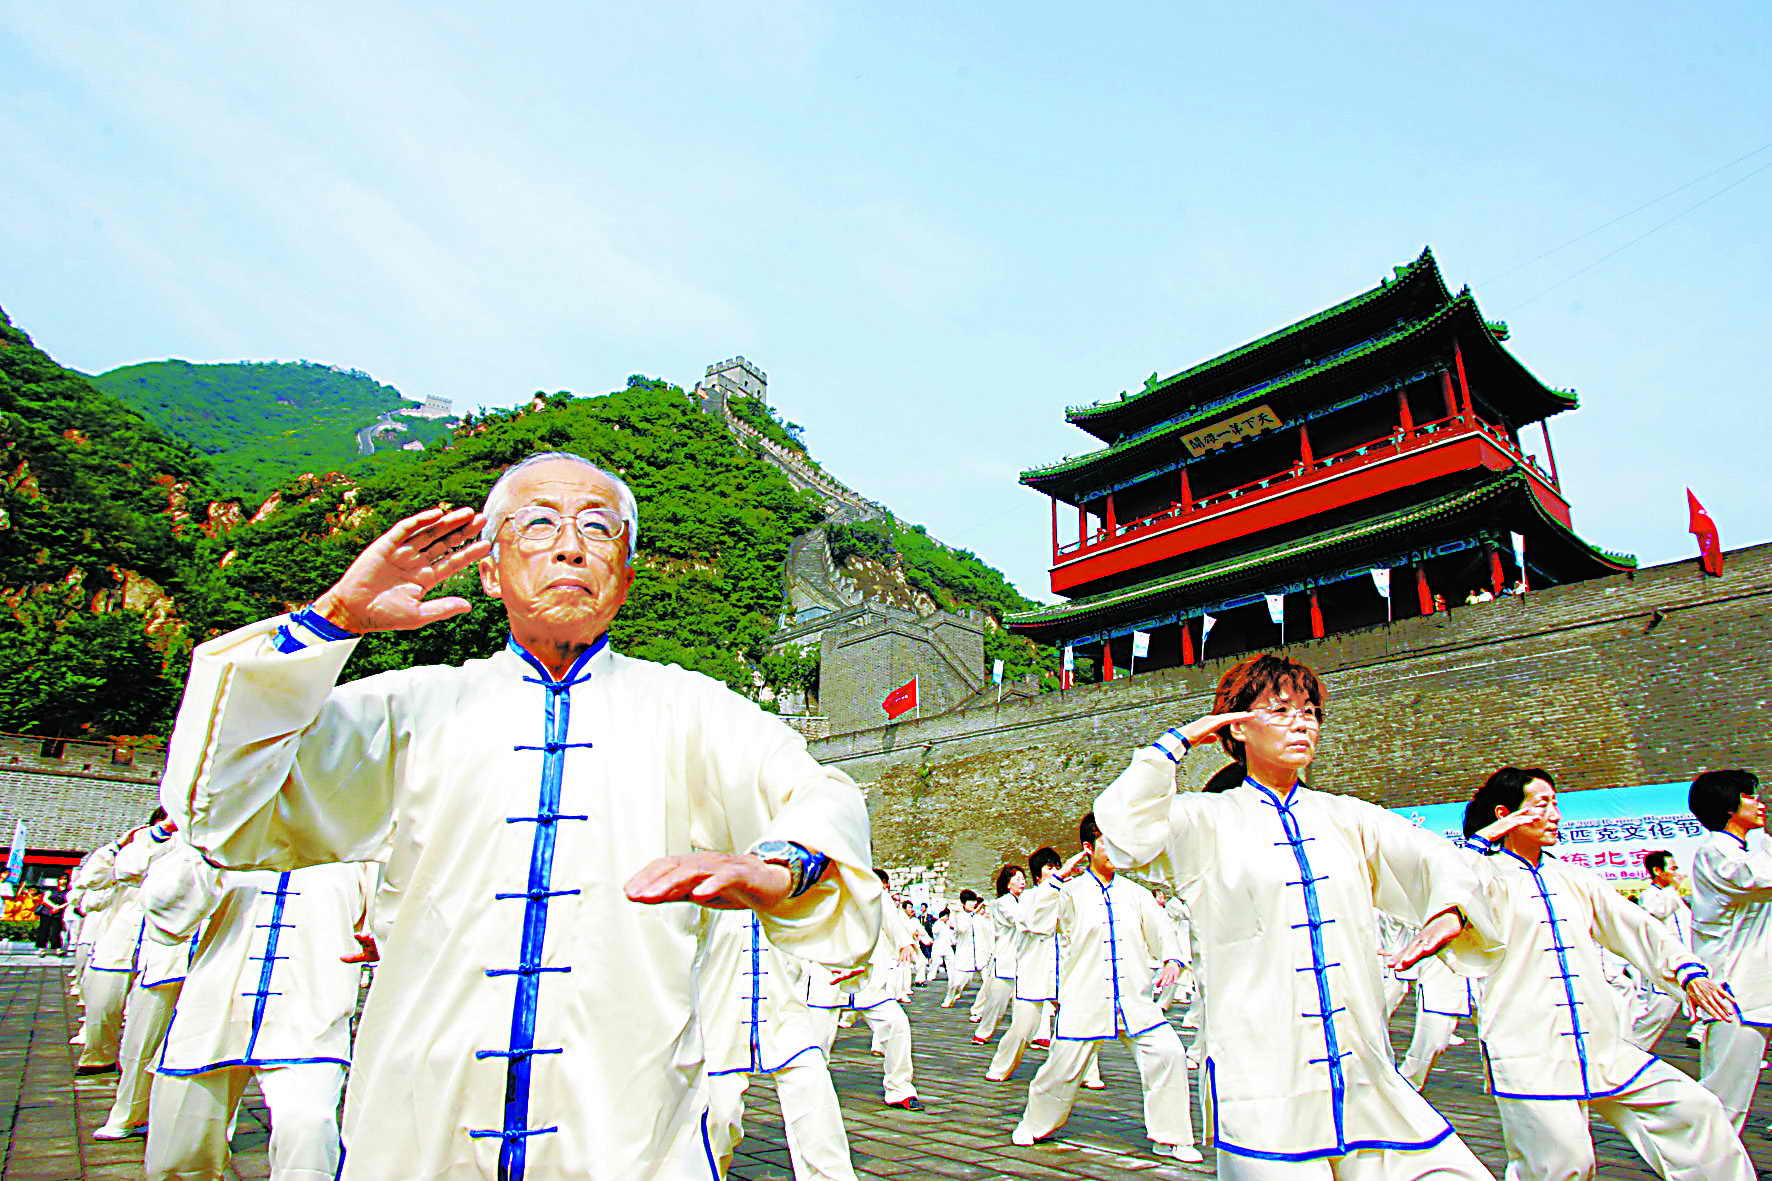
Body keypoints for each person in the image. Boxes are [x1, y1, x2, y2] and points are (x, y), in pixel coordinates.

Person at [157, 451, 881, 1179]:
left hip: (627, 1133)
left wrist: (782, 865)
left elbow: (819, 793)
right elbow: (222, 803)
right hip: (420, 1128)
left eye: (599, 528)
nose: (571, 544)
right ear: (490, 568)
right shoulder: (412, 707)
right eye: (539, 523)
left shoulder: (686, 708)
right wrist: (333, 619)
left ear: (625, 575)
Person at [1092, 653, 1494, 1178]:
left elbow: (1436, 857)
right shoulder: (1204, 820)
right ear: (1237, 726)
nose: (1301, 721)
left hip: (1362, 1067)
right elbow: (1123, 830)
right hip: (1262, 1076)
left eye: (1310, 710)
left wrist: (1451, 909)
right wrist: (1183, 739)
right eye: (1279, 710)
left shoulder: (1348, 816)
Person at [1451, 767, 1749, 1180]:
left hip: (1601, 1046)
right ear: (1506, 814)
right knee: (1563, 1166)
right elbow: (1454, 883)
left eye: (1556, 804)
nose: (1554, 814)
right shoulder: (1488, 877)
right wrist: (1489, 835)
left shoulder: (1572, 878)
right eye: (1541, 805)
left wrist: (1687, 972)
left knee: (1695, 1112)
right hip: (1528, 1052)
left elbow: (1635, 926)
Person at [140, 839, 379, 1181]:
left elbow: (391, 915)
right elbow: (167, 920)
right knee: (179, 1154)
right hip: (210, 1014)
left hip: (310, 1015)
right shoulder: (225, 829)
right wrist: (213, 839)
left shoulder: (358, 839)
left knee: (307, 1132)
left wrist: (382, 941)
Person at [1010, 815, 1198, 1162]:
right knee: (1061, 1070)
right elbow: (1033, 921)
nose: (1115, 851)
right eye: (1106, 844)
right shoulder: (1069, 893)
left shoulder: (1135, 894)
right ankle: (1034, 1123)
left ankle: (1170, 1137)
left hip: (1134, 1000)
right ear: (1087, 849)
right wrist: (1055, 881)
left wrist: (1172, 959)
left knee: (1168, 1053)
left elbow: (1163, 933)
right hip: (1085, 1000)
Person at [701, 908, 857, 1181]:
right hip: (720, 1024)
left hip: (788, 1018)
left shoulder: (790, 885)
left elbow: (823, 928)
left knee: (818, 1109)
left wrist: (845, 958)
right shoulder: (704, 887)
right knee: (719, 1120)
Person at [1687, 768, 1772, 1133]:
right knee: (1724, 1100)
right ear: (1727, 806)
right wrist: (1766, 840)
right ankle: (1698, 1164)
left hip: (1755, 988)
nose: (1759, 803)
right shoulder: (1715, 851)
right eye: (1750, 796)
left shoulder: (1742, 850)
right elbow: (1758, 878)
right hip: (1733, 993)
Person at [805, 869, 923, 1111]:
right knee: (816, 1042)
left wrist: (905, 942)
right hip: (827, 978)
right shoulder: (813, 888)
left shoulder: (872, 888)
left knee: (897, 1024)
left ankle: (899, 1088)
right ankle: (812, 1091)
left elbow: (891, 919)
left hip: (868, 980)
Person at [1626, 850, 1693, 1052]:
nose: (1676, 873)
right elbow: (1660, 911)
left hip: (1686, 962)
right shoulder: (1650, 896)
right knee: (1660, 1010)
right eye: (1672, 868)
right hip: (1663, 965)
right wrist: (1674, 887)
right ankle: (1632, 1050)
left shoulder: (1674, 897)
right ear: (1657, 871)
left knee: (1711, 1008)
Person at [971, 865, 1025, 1043]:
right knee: (997, 1002)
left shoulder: (1023, 900)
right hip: (1006, 959)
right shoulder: (1003, 903)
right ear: (1008, 884)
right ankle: (983, 1032)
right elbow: (1019, 920)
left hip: (1024, 959)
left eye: (1023, 878)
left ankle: (1036, 1036)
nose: (1022, 882)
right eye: (1017, 879)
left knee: (1029, 1003)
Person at [941, 890, 989, 1008]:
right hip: (964, 954)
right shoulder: (959, 915)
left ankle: (982, 1006)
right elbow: (961, 929)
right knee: (956, 982)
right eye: (970, 901)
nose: (973, 904)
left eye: (974, 901)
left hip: (981, 954)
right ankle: (950, 997)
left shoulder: (979, 917)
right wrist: (972, 914)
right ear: (963, 903)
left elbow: (988, 932)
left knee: (988, 982)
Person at [32, 877, 67, 954]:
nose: (63, 881)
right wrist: (54, 906)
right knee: (44, 930)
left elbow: (69, 901)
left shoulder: (68, 891)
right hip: (46, 912)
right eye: (61, 879)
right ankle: (41, 948)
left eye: (65, 879)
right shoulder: (51, 889)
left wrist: (59, 907)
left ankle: (57, 948)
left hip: (58, 913)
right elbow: (45, 900)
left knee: (56, 931)